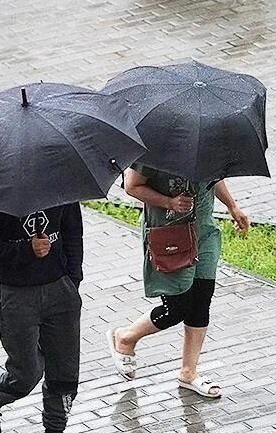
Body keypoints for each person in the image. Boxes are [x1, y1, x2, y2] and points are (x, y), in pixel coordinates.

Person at [106, 164, 249, 398]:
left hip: (204, 231)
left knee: (202, 298)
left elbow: (214, 177)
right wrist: (169, 202)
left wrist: (232, 206)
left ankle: (188, 372)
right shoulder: (153, 149)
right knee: (177, 307)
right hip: (170, 232)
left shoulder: (204, 139)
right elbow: (132, 186)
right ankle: (125, 337)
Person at [0, 203, 90, 433]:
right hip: (17, 295)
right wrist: (25, 250)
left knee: (65, 373)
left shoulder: (64, 187)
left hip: (61, 291)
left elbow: (73, 234)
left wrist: (73, 280)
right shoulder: (2, 197)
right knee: (27, 372)